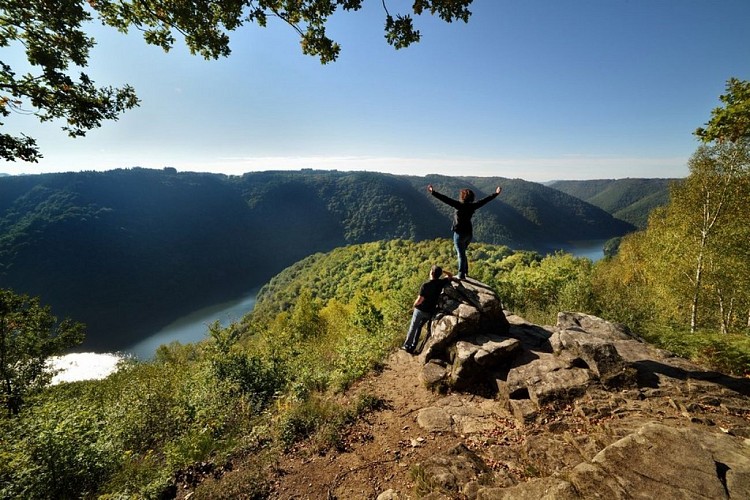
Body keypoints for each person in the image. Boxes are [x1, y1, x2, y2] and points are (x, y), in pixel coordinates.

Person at [428, 184, 502, 280]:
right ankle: (465, 272)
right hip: (469, 234)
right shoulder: (473, 206)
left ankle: (461, 274)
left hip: (459, 233)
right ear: (471, 198)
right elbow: (485, 200)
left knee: (460, 254)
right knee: (463, 252)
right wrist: (496, 193)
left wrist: (433, 192)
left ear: (462, 196)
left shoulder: (458, 205)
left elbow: (445, 199)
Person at [401, 265, 455, 354]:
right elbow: (450, 276)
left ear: (432, 273)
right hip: (430, 311)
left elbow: (419, 300)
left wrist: (413, 306)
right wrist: (443, 271)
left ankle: (407, 346)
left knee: (413, 327)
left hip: (420, 310)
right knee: (419, 327)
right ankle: (414, 345)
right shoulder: (441, 282)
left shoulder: (425, 285)